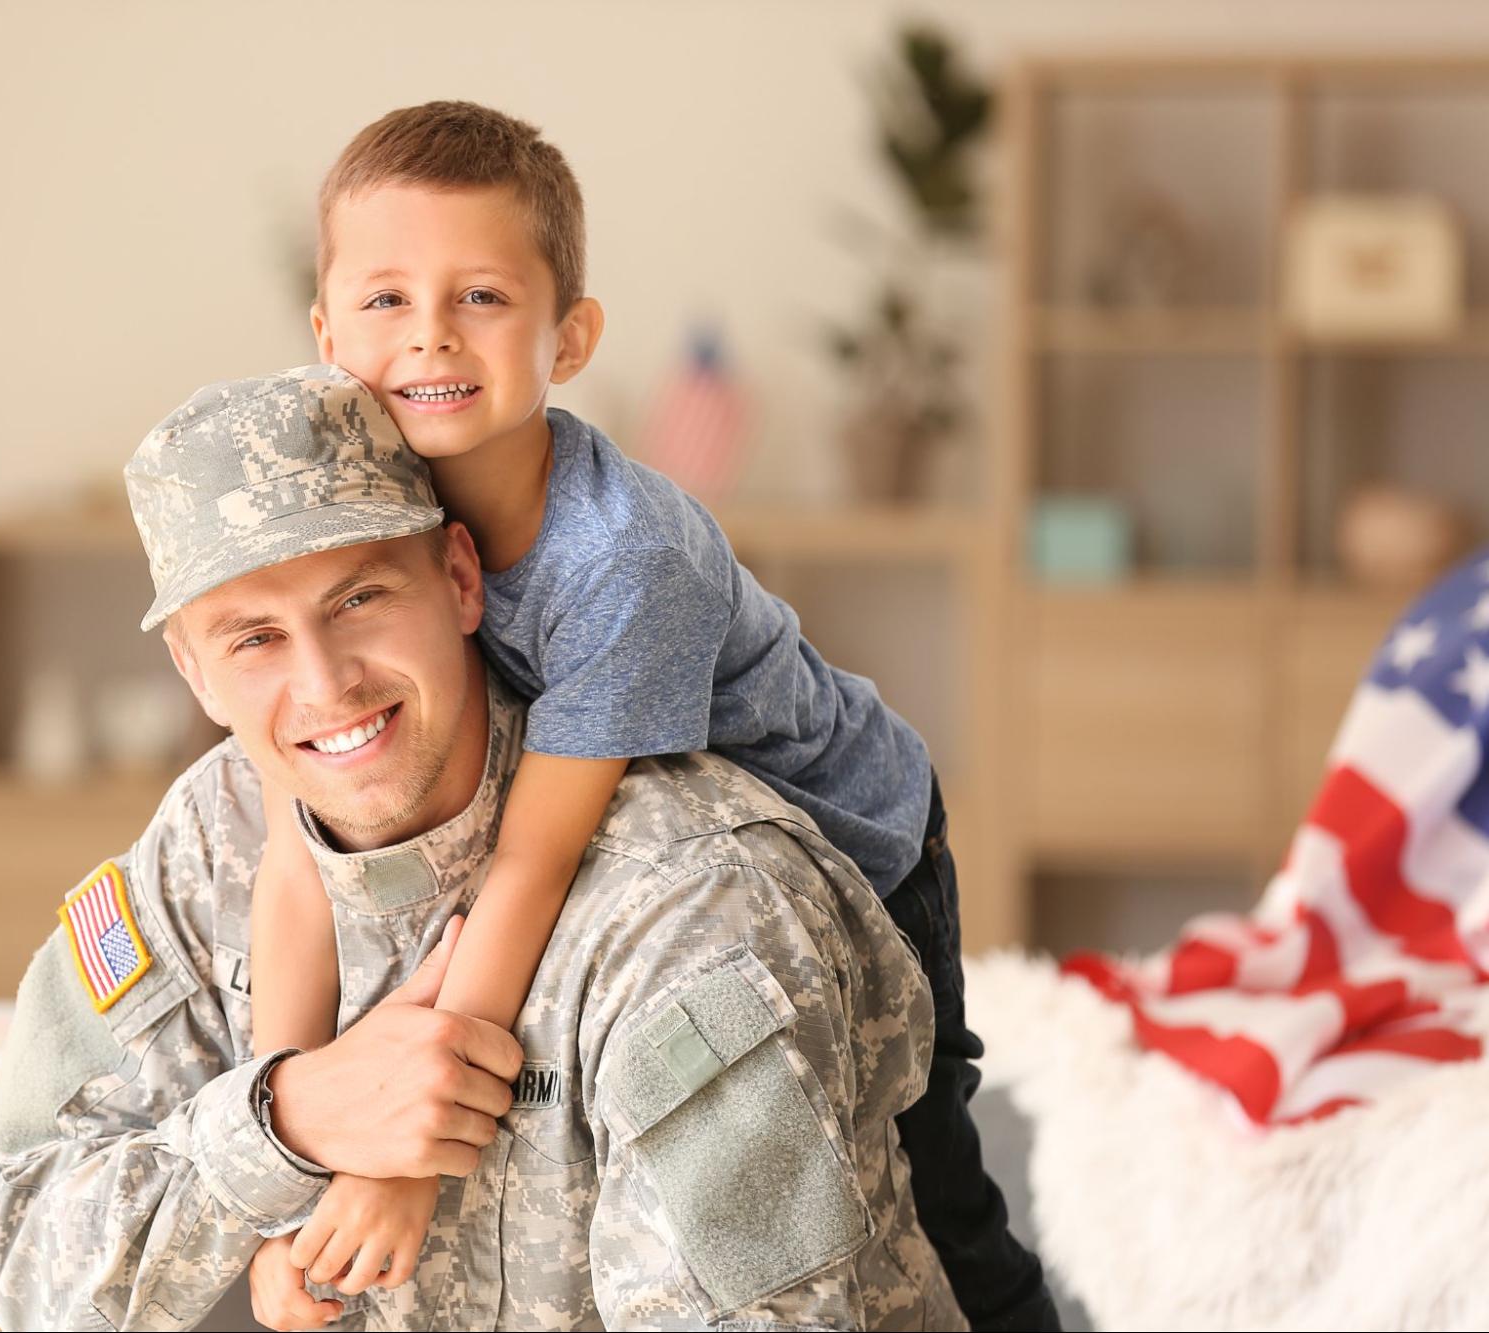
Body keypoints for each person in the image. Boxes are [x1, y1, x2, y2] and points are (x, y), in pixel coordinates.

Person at [246, 100, 1057, 1330]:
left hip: (849, 833)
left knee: (924, 1179)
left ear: (568, 338)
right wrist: (292, 1162)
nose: (428, 339)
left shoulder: (623, 561)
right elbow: (293, 849)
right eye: (385, 300)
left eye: (480, 298)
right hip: (641, 847)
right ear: (323, 330)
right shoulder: (361, 512)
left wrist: (398, 1157)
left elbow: (533, 856)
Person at [0, 365, 962, 1330]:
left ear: (461, 578)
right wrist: (289, 1118)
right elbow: (16, 1253)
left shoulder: (689, 894)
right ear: (196, 675)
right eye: (253, 638)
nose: (325, 683)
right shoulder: (203, 844)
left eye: (358, 599)